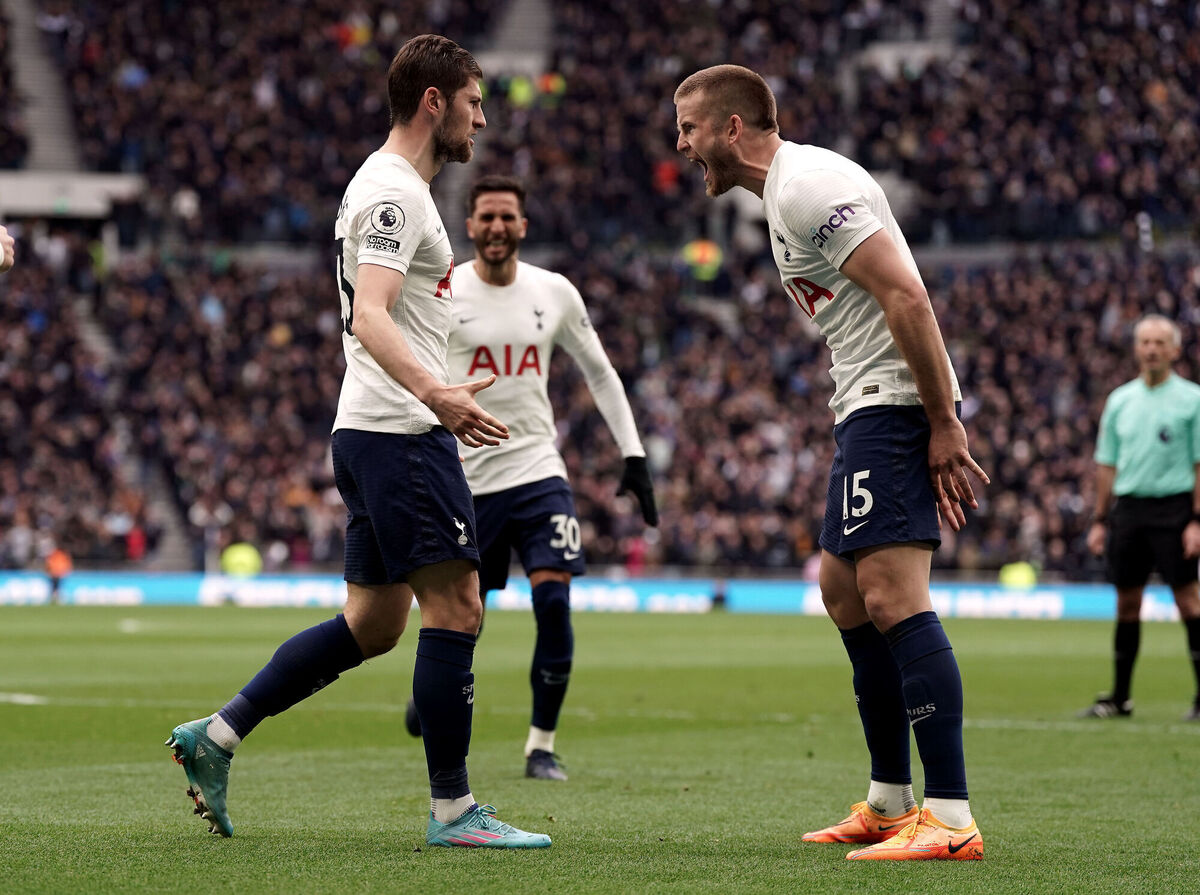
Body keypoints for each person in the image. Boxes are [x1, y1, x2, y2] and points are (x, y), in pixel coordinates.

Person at [166, 34, 550, 849]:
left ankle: (219, 735)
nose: (482, 119)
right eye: (475, 102)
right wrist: (437, 393)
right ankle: (455, 811)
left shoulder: (393, 187)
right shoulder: (393, 192)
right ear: (433, 102)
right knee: (458, 607)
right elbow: (370, 312)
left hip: (374, 430)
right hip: (402, 432)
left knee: (375, 623)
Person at [674, 65, 989, 861]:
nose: (681, 146)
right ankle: (890, 801)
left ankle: (950, 818)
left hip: (894, 400)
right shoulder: (785, 196)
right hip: (863, 405)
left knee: (890, 590)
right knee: (842, 588)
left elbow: (908, 296)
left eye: (688, 128)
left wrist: (942, 419)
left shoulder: (807, 183)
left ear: (732, 127)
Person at [403, 175, 658, 780]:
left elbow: (599, 371)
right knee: (465, 613)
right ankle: (430, 691)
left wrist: (634, 454)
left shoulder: (555, 293)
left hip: (538, 467)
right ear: (470, 227)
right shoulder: (445, 290)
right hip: (465, 476)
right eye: (486, 217)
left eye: (507, 217)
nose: (496, 227)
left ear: (523, 225)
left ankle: (540, 745)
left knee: (555, 600)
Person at [1082, 314, 1200, 721]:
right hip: (1128, 511)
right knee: (1126, 603)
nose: (1151, 348)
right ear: (1136, 348)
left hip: (1175, 509)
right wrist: (1100, 519)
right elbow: (1106, 465)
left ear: (1174, 350)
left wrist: (1196, 520)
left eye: (1159, 342)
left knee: (1189, 602)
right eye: (1145, 341)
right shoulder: (1120, 401)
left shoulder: (1192, 399)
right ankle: (1120, 697)